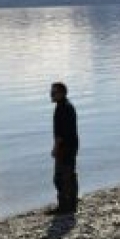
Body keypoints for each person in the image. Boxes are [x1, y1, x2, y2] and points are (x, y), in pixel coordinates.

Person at [48, 82, 80, 215]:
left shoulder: (63, 108)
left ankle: (65, 206)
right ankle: (72, 202)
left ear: (61, 93)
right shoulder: (66, 106)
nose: (51, 94)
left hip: (65, 148)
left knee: (60, 178)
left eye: (54, 92)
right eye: (51, 92)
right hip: (71, 146)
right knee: (69, 175)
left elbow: (61, 133)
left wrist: (55, 148)